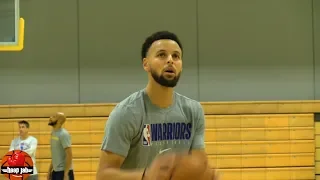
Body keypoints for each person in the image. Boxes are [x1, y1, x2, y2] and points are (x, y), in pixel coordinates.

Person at [96, 31, 218, 180]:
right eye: (161, 55)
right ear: (146, 64)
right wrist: (147, 176)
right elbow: (103, 175)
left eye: (176, 56)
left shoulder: (193, 111)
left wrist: (204, 174)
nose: (170, 61)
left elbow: (198, 164)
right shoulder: (127, 113)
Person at [47, 112, 74, 180]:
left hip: (63, 172)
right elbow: (55, 155)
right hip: (56, 171)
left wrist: (66, 173)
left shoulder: (63, 134)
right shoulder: (53, 133)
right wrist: (50, 170)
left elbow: (69, 155)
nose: (50, 117)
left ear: (59, 121)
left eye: (54, 117)